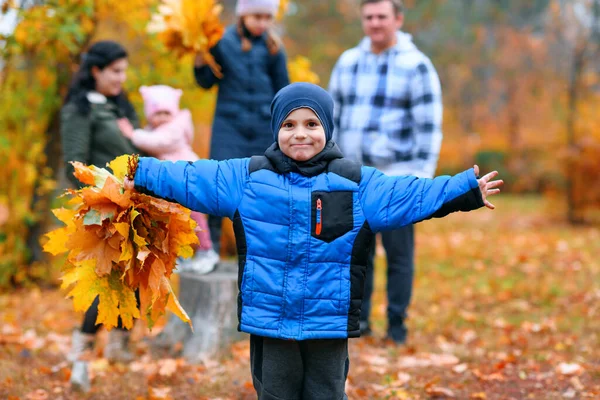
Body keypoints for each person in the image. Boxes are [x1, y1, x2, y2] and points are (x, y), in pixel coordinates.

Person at [125, 83, 503, 399]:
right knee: (275, 393)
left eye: (311, 123)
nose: (300, 133)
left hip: (328, 322)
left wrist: (464, 189)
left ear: (328, 128)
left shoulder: (357, 183)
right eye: (288, 124)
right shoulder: (247, 177)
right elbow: (191, 177)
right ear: (275, 129)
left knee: (326, 394)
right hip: (271, 322)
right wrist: (141, 171)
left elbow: (409, 195)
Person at [328, 0, 443, 344]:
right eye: (369, 17)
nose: (375, 23)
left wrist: (421, 180)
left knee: (399, 254)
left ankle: (397, 325)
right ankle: (359, 323)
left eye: (382, 16)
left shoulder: (417, 65)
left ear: (398, 19)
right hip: (353, 175)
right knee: (356, 252)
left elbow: (429, 126)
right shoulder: (348, 62)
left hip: (399, 178)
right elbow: (331, 118)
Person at [60, 40, 141, 389]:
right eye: (115, 71)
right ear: (96, 70)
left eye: (124, 71)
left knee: (137, 276)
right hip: (103, 208)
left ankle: (120, 350)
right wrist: (107, 189)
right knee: (105, 282)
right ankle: (80, 356)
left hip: (137, 205)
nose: (121, 78)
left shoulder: (122, 106)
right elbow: (73, 163)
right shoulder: (80, 109)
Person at [194, 0, 289, 259]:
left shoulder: (274, 48)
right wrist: (201, 61)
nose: (262, 23)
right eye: (256, 16)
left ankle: (262, 249)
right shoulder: (222, 42)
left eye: (267, 18)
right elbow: (206, 82)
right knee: (218, 182)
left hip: (262, 128)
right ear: (243, 16)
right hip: (229, 125)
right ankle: (210, 248)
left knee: (263, 187)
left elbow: (283, 90)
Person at [119, 84, 219, 274]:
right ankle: (183, 255)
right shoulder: (155, 130)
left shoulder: (175, 128)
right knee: (173, 220)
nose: (163, 117)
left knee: (194, 218)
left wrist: (132, 134)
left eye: (167, 112)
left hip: (186, 181)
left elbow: (157, 142)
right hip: (173, 187)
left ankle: (206, 250)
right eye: (158, 113)